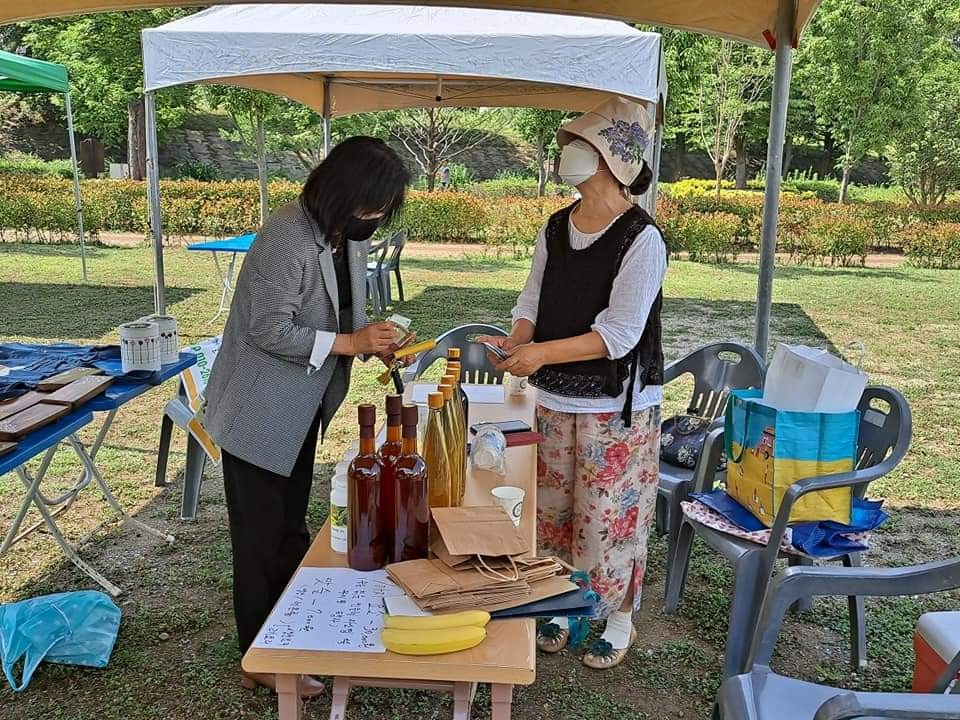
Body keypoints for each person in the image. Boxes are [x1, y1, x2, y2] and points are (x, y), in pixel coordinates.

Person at [202, 136, 411, 695]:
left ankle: (291, 636)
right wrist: (350, 342)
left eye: (383, 210)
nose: (377, 218)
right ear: (343, 193)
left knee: (291, 528)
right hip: (258, 410)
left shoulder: (342, 235)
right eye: (374, 207)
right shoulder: (285, 236)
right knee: (259, 539)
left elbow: (344, 314)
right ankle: (258, 657)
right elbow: (267, 329)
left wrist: (372, 341)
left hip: (300, 408)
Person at [478, 97, 667, 670]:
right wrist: (517, 341)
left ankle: (620, 617)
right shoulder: (556, 226)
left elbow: (618, 335)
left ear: (612, 161)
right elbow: (532, 299)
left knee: (610, 518)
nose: (568, 153)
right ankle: (561, 605)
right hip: (553, 398)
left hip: (616, 407)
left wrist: (537, 354)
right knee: (555, 512)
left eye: (580, 145)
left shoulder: (642, 238)